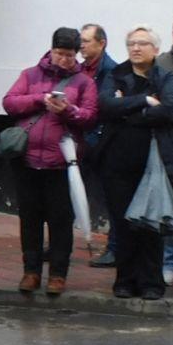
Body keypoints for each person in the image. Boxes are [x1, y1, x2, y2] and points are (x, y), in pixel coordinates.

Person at [2, 27, 98, 295]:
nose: (64, 60)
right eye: (59, 53)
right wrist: (39, 100)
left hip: (62, 163)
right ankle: (30, 272)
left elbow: (90, 117)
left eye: (69, 55)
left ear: (76, 53)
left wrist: (69, 111)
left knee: (60, 220)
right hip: (28, 161)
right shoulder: (30, 75)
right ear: (51, 50)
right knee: (29, 218)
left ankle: (58, 274)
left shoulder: (84, 82)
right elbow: (10, 103)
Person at [99, 27, 173, 300]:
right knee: (123, 224)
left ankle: (151, 282)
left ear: (155, 49)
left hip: (155, 163)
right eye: (131, 43)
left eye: (142, 43)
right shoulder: (115, 75)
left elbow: (169, 109)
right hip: (118, 161)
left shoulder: (166, 77)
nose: (135, 48)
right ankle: (125, 281)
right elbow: (105, 106)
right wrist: (145, 101)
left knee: (151, 224)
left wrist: (128, 109)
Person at [80, 22, 117, 263]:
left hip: (101, 142)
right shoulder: (78, 70)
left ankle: (113, 248)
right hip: (77, 140)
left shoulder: (113, 71)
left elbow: (105, 106)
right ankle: (56, 246)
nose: (80, 46)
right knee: (68, 194)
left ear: (101, 43)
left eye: (86, 41)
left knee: (109, 198)